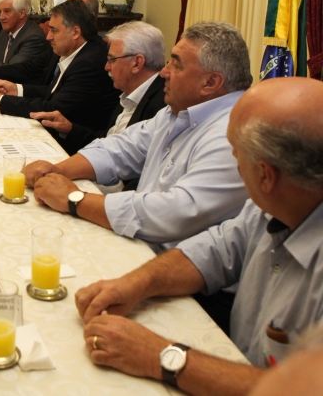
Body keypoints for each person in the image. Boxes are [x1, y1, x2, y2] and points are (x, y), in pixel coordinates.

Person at [74, 77, 323, 396]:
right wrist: (135, 284)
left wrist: (160, 356)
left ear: (265, 175)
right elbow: (215, 251)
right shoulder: (275, 207)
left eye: (236, 153)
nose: (232, 161)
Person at [24, 21, 251, 254]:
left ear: (211, 82)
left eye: (177, 65)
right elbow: (120, 148)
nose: (164, 72)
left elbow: (175, 213)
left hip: (174, 268)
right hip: (139, 243)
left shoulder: (234, 135)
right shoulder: (177, 112)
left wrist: (74, 199)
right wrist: (56, 171)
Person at [0, 0, 118, 141]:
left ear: (75, 32)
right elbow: (53, 92)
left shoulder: (88, 62)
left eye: (54, 31)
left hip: (77, 143)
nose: (48, 37)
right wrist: (17, 89)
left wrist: (1, 102)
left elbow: (53, 108)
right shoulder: (73, 51)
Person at [31, 21, 166, 157]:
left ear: (137, 63)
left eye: (112, 60)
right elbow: (107, 141)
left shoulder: (162, 107)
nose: (107, 67)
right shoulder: (128, 94)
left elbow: (129, 163)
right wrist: (70, 129)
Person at [0, 0, 102, 84]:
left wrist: (2, 101)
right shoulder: (59, 46)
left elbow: (56, 103)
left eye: (74, 8)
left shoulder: (91, 59)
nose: (48, 37)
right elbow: (29, 69)